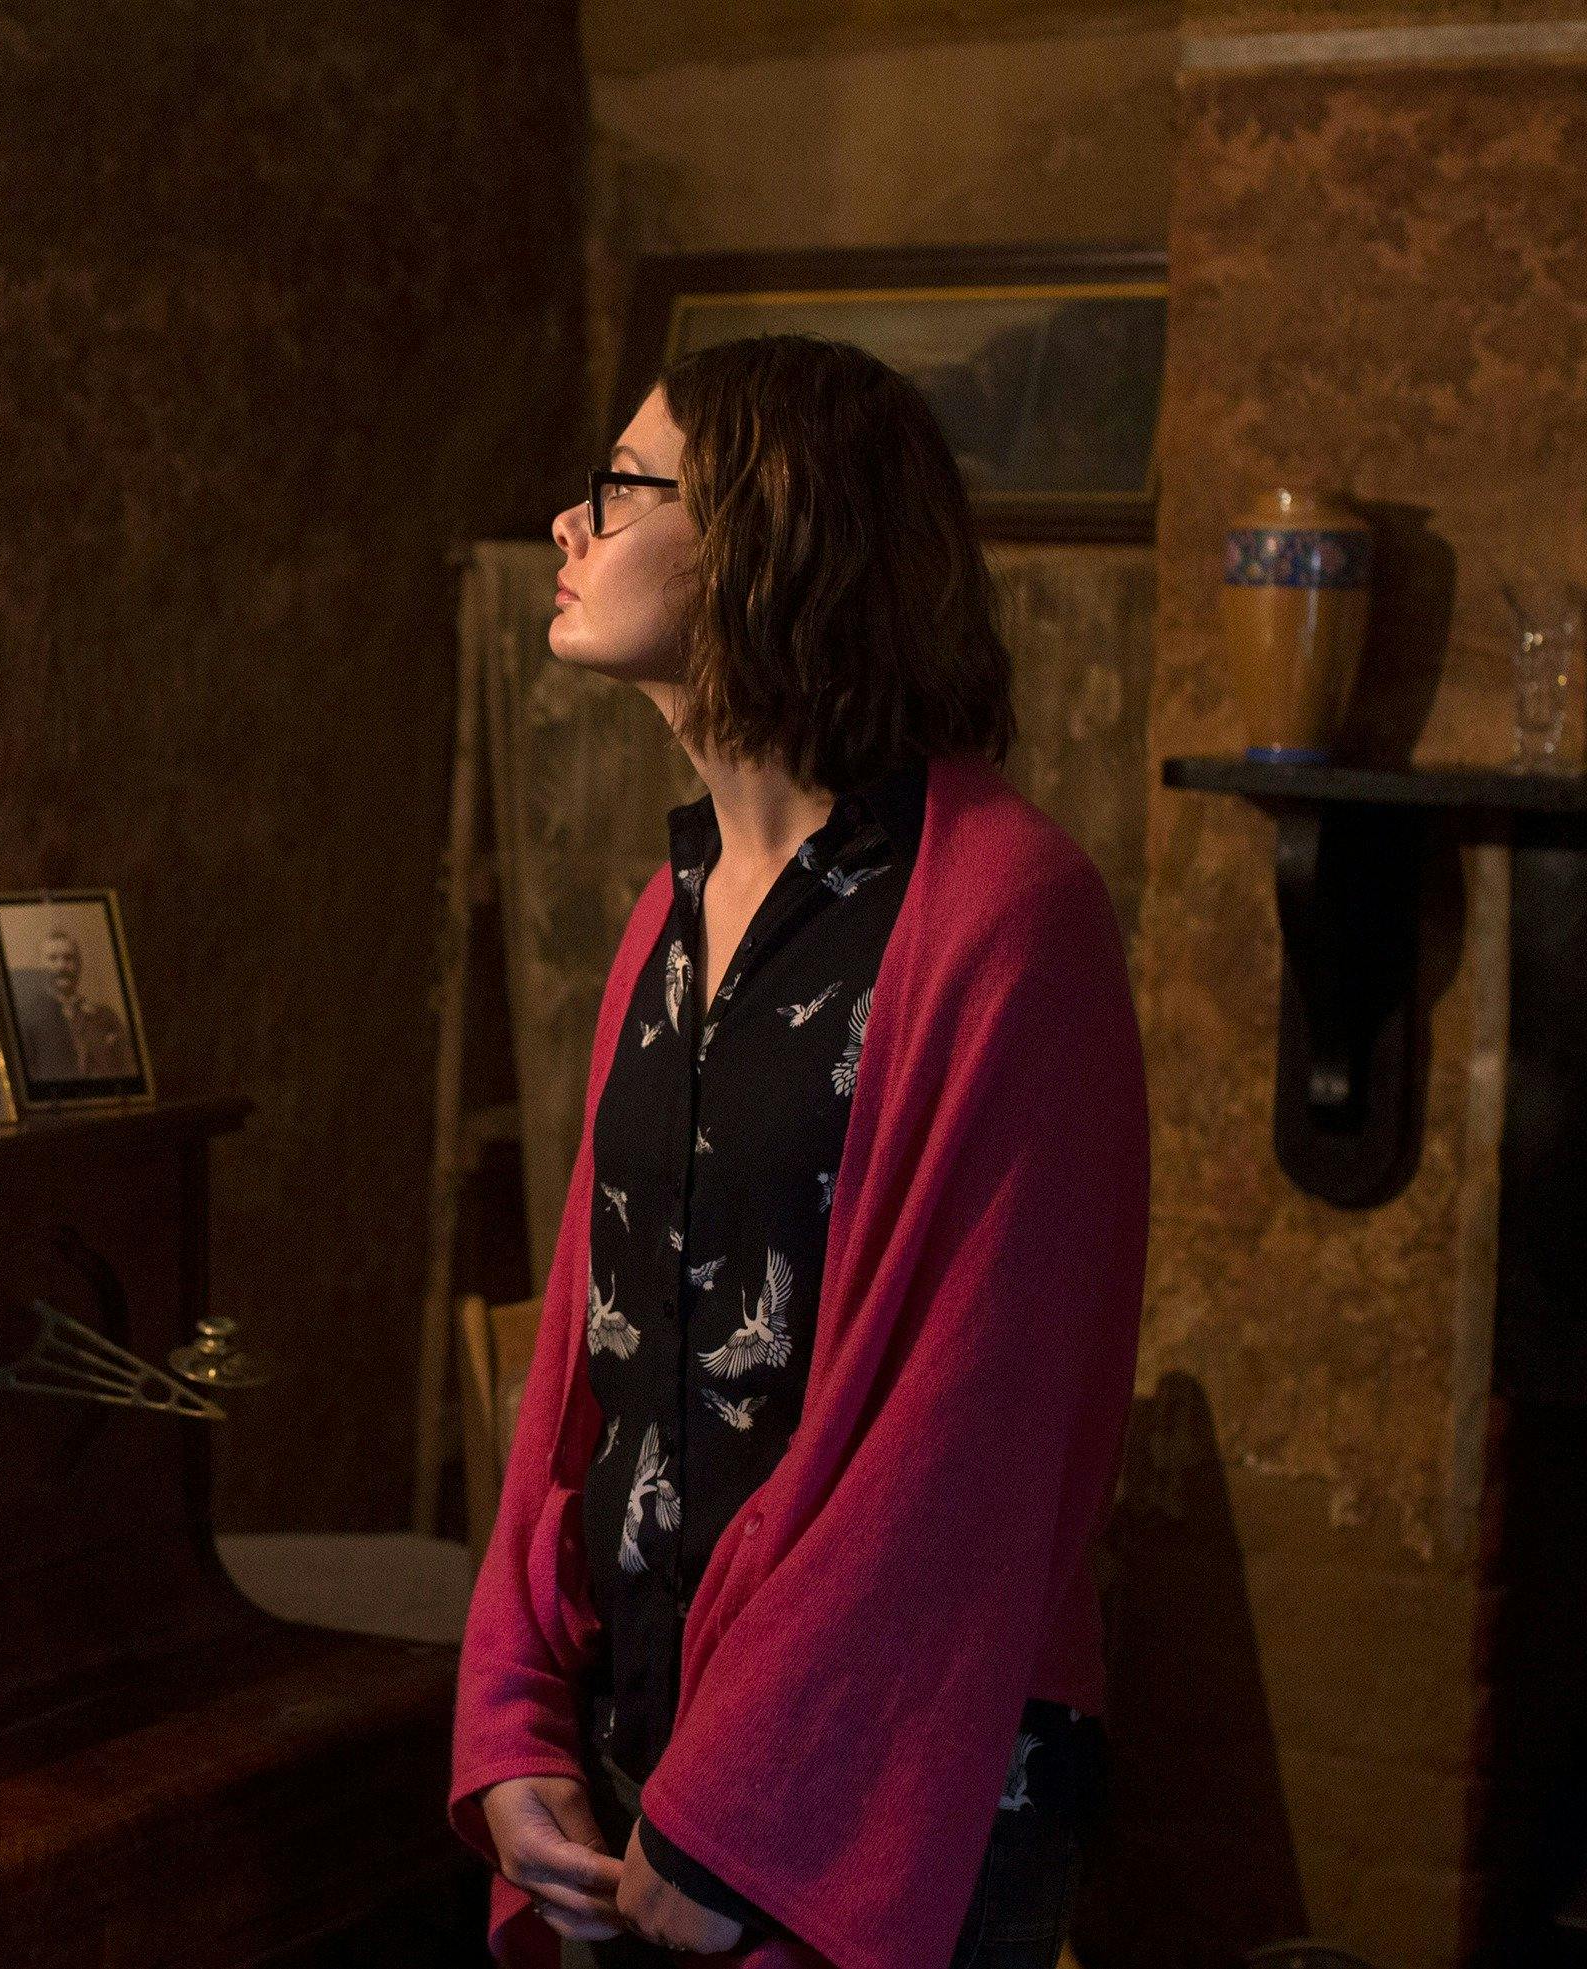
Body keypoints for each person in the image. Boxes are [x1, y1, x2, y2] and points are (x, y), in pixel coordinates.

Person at [451, 335, 1148, 1969]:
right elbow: (587, 1356)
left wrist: (749, 1811)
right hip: (637, 1768)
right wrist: (509, 1723)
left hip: (861, 1800)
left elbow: (969, 1440)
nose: (564, 522)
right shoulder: (666, 917)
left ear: (762, 525)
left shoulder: (1001, 911)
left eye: (617, 488)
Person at [13, 929, 134, 1081]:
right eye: (53, 959)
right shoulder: (27, 1019)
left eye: (68, 958)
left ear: (79, 964)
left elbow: (127, 1070)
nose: (61, 966)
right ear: (40, 966)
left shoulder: (105, 1017)